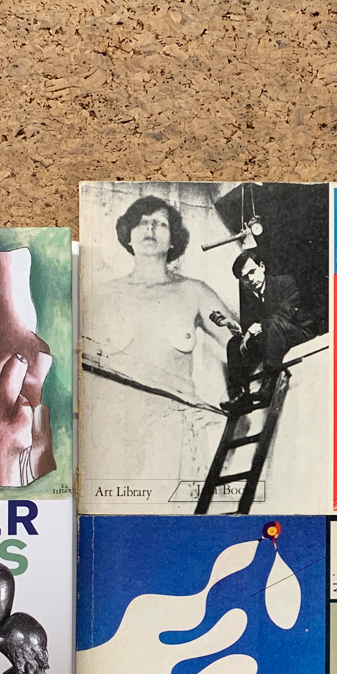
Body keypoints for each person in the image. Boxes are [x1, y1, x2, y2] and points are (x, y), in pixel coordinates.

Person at [82, 196, 234, 485]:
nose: (149, 228)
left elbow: (241, 349)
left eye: (160, 223)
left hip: (174, 436)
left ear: (174, 239)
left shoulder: (195, 292)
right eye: (141, 222)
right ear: (128, 235)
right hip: (115, 434)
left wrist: (224, 410)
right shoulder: (100, 295)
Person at [221, 250, 314, 401]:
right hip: (273, 337)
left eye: (252, 272)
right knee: (234, 343)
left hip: (298, 333)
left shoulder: (284, 282)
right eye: (245, 278)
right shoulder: (250, 298)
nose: (250, 280)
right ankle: (240, 394)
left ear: (262, 267)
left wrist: (257, 327)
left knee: (271, 324)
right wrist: (239, 330)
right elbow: (251, 328)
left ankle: (268, 386)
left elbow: (285, 314)